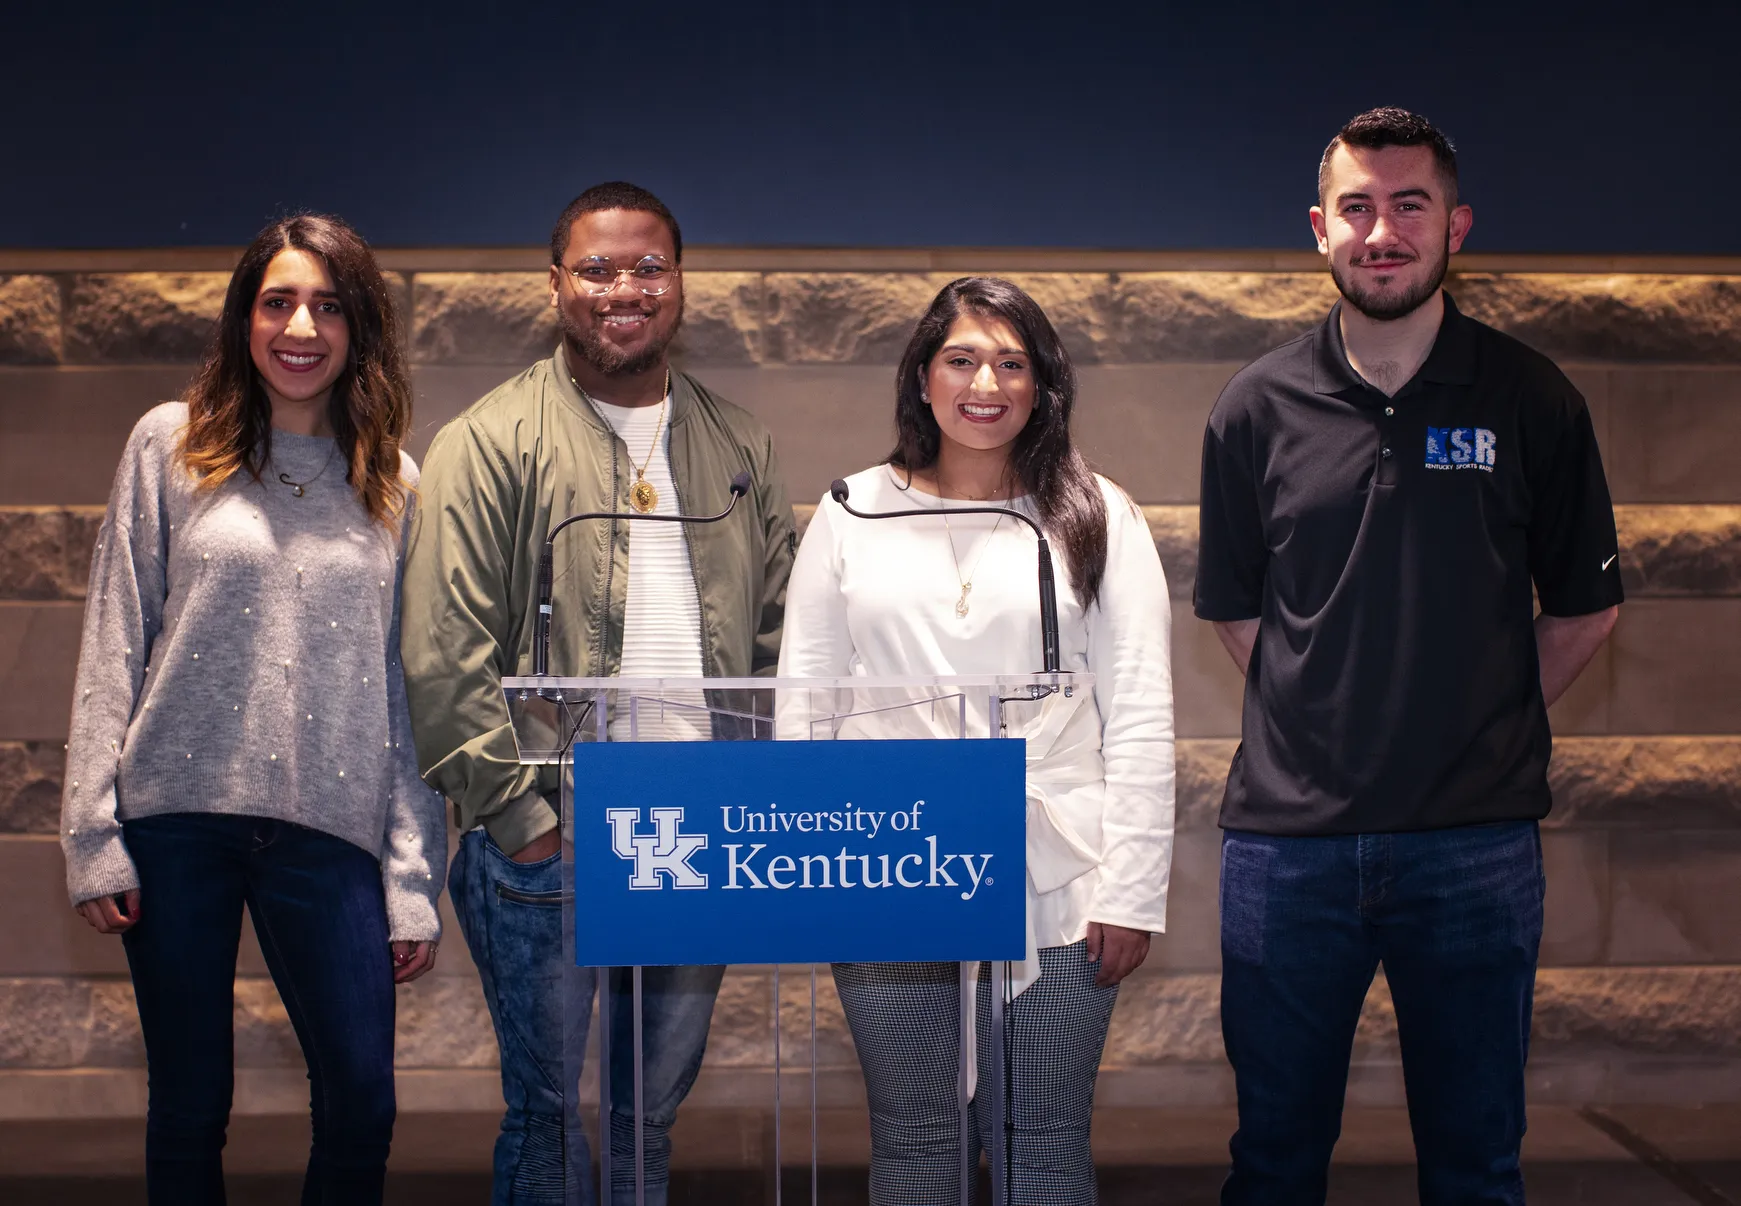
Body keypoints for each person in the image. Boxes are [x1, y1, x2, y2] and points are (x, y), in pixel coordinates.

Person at [1195, 107, 1624, 1206]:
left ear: (1455, 226)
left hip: (1473, 848)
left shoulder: (1531, 399)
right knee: (1273, 1161)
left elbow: (1583, 611)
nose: (1380, 231)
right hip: (1289, 853)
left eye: (1408, 206)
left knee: (1476, 1166)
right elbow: (1241, 616)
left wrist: (1471, 713)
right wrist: (1327, 711)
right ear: (1317, 228)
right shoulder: (1253, 407)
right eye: (1356, 208)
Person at [400, 181, 796, 1206]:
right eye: (596, 268)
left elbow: (776, 643)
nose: (624, 288)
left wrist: (748, 803)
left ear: (679, 283)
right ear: (555, 285)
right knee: (546, 1120)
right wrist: (526, 822)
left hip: (696, 836)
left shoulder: (741, 446)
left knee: (644, 1122)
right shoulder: (486, 443)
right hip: (555, 839)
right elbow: (446, 654)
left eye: (647, 266)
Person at [59, 213, 445, 1205]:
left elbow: (406, 694)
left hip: (331, 828)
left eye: (327, 304)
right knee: (190, 1105)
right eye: (278, 302)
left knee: (362, 1102)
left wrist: (410, 877)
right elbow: (115, 642)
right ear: (245, 319)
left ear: (360, 326)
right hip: (176, 821)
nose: (301, 327)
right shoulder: (169, 445)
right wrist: (91, 834)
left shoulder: (393, 484)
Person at [778, 276, 1175, 1204]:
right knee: (915, 1147)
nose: (983, 382)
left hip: (1060, 871)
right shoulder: (848, 510)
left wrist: (1132, 891)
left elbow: (1143, 712)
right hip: (886, 864)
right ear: (922, 377)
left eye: (1011, 362)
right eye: (960, 359)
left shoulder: (1096, 513)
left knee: (1042, 1147)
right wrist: (813, 870)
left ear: (1043, 385)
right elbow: (806, 702)